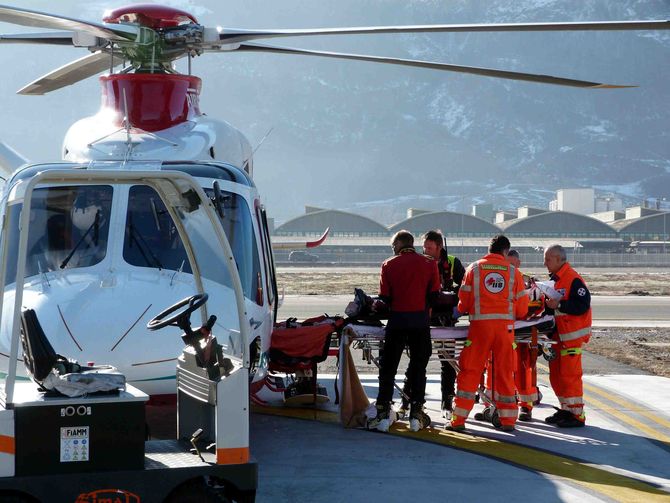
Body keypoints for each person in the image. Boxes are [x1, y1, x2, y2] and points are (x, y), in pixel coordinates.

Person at [446, 235, 528, 432]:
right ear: (506, 252)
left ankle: (458, 420)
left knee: (470, 371)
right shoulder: (513, 272)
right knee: (504, 373)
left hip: (479, 329)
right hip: (505, 331)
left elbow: (463, 303)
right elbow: (523, 310)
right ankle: (508, 420)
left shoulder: (474, 269)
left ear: (489, 249)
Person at [367, 230, 440, 433]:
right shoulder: (429, 263)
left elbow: (385, 299)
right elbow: (435, 295)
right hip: (420, 322)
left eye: (393, 246)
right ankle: (416, 413)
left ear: (399, 244)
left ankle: (382, 412)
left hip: (397, 322)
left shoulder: (388, 265)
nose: (393, 250)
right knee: (419, 368)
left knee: (388, 368)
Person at [397, 230, 465, 420]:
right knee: (417, 361)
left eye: (429, 247)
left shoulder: (452, 263)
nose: (425, 250)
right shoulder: (421, 262)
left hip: (446, 319)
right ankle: (406, 399)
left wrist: (453, 303)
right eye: (424, 247)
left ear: (439, 247)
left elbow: (465, 287)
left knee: (448, 361)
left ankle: (447, 401)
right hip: (421, 318)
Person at [543, 244, 592, 428]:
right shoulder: (556, 280)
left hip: (570, 338)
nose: (545, 263)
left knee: (569, 376)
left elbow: (583, 305)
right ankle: (566, 410)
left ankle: (577, 414)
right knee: (556, 376)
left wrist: (559, 306)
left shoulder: (573, 279)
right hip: (558, 338)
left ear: (558, 259)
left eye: (547, 259)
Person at [506, 249, 538, 421]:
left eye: (513, 264)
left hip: (523, 331)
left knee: (524, 369)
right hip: (503, 329)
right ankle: (493, 403)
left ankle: (526, 406)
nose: (510, 267)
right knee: (497, 368)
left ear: (518, 263)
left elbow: (537, 302)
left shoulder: (528, 282)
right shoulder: (499, 277)